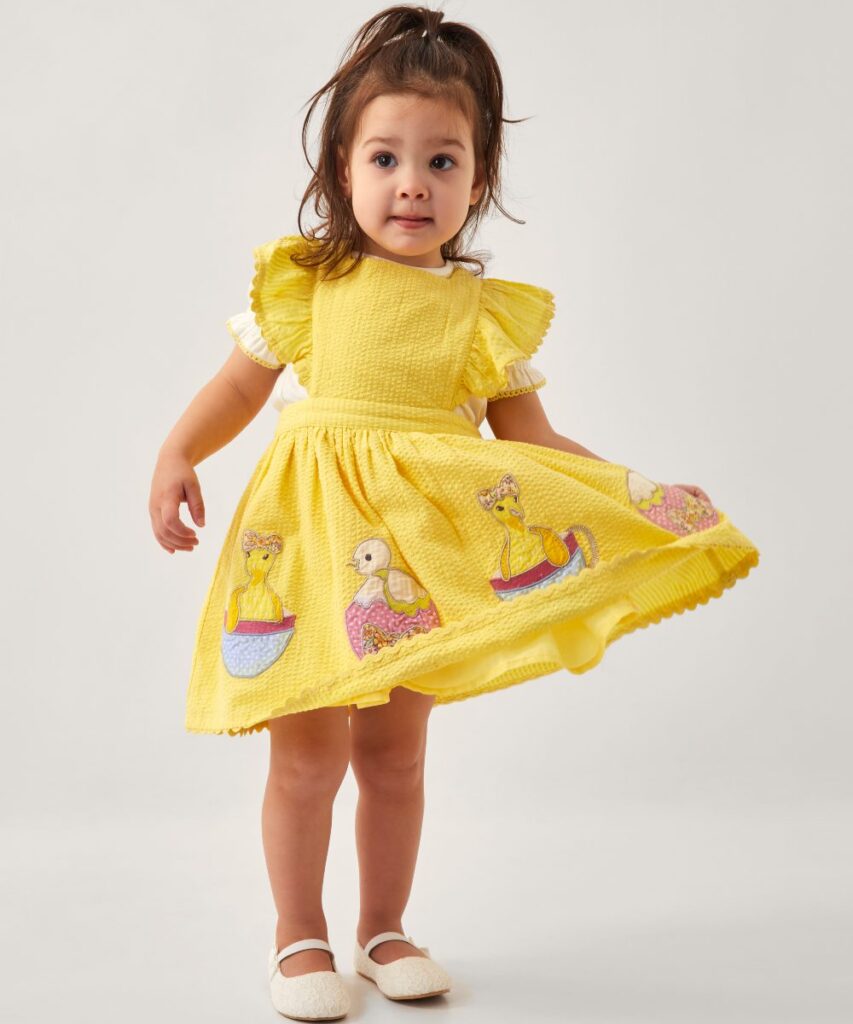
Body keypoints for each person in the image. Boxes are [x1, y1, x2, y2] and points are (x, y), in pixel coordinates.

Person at [149, 5, 760, 1020]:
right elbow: (237, 389)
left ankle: (383, 927)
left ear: (477, 182)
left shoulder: (479, 319)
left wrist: (640, 497)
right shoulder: (307, 287)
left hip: (416, 566)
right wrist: (177, 453)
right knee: (307, 757)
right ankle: (297, 934)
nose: (412, 184)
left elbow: (535, 446)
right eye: (385, 158)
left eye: (441, 161)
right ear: (342, 168)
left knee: (395, 755)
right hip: (307, 548)